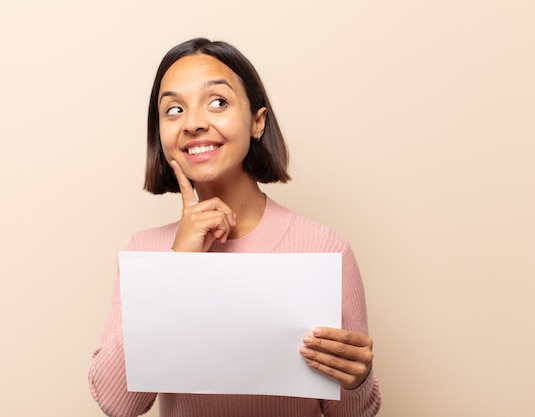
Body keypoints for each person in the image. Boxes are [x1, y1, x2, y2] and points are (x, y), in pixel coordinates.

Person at [88, 37, 382, 417]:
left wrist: (357, 380)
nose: (193, 123)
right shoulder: (148, 251)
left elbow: (351, 414)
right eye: (174, 109)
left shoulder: (326, 248)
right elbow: (118, 404)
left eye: (218, 102)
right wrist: (177, 264)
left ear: (257, 122)